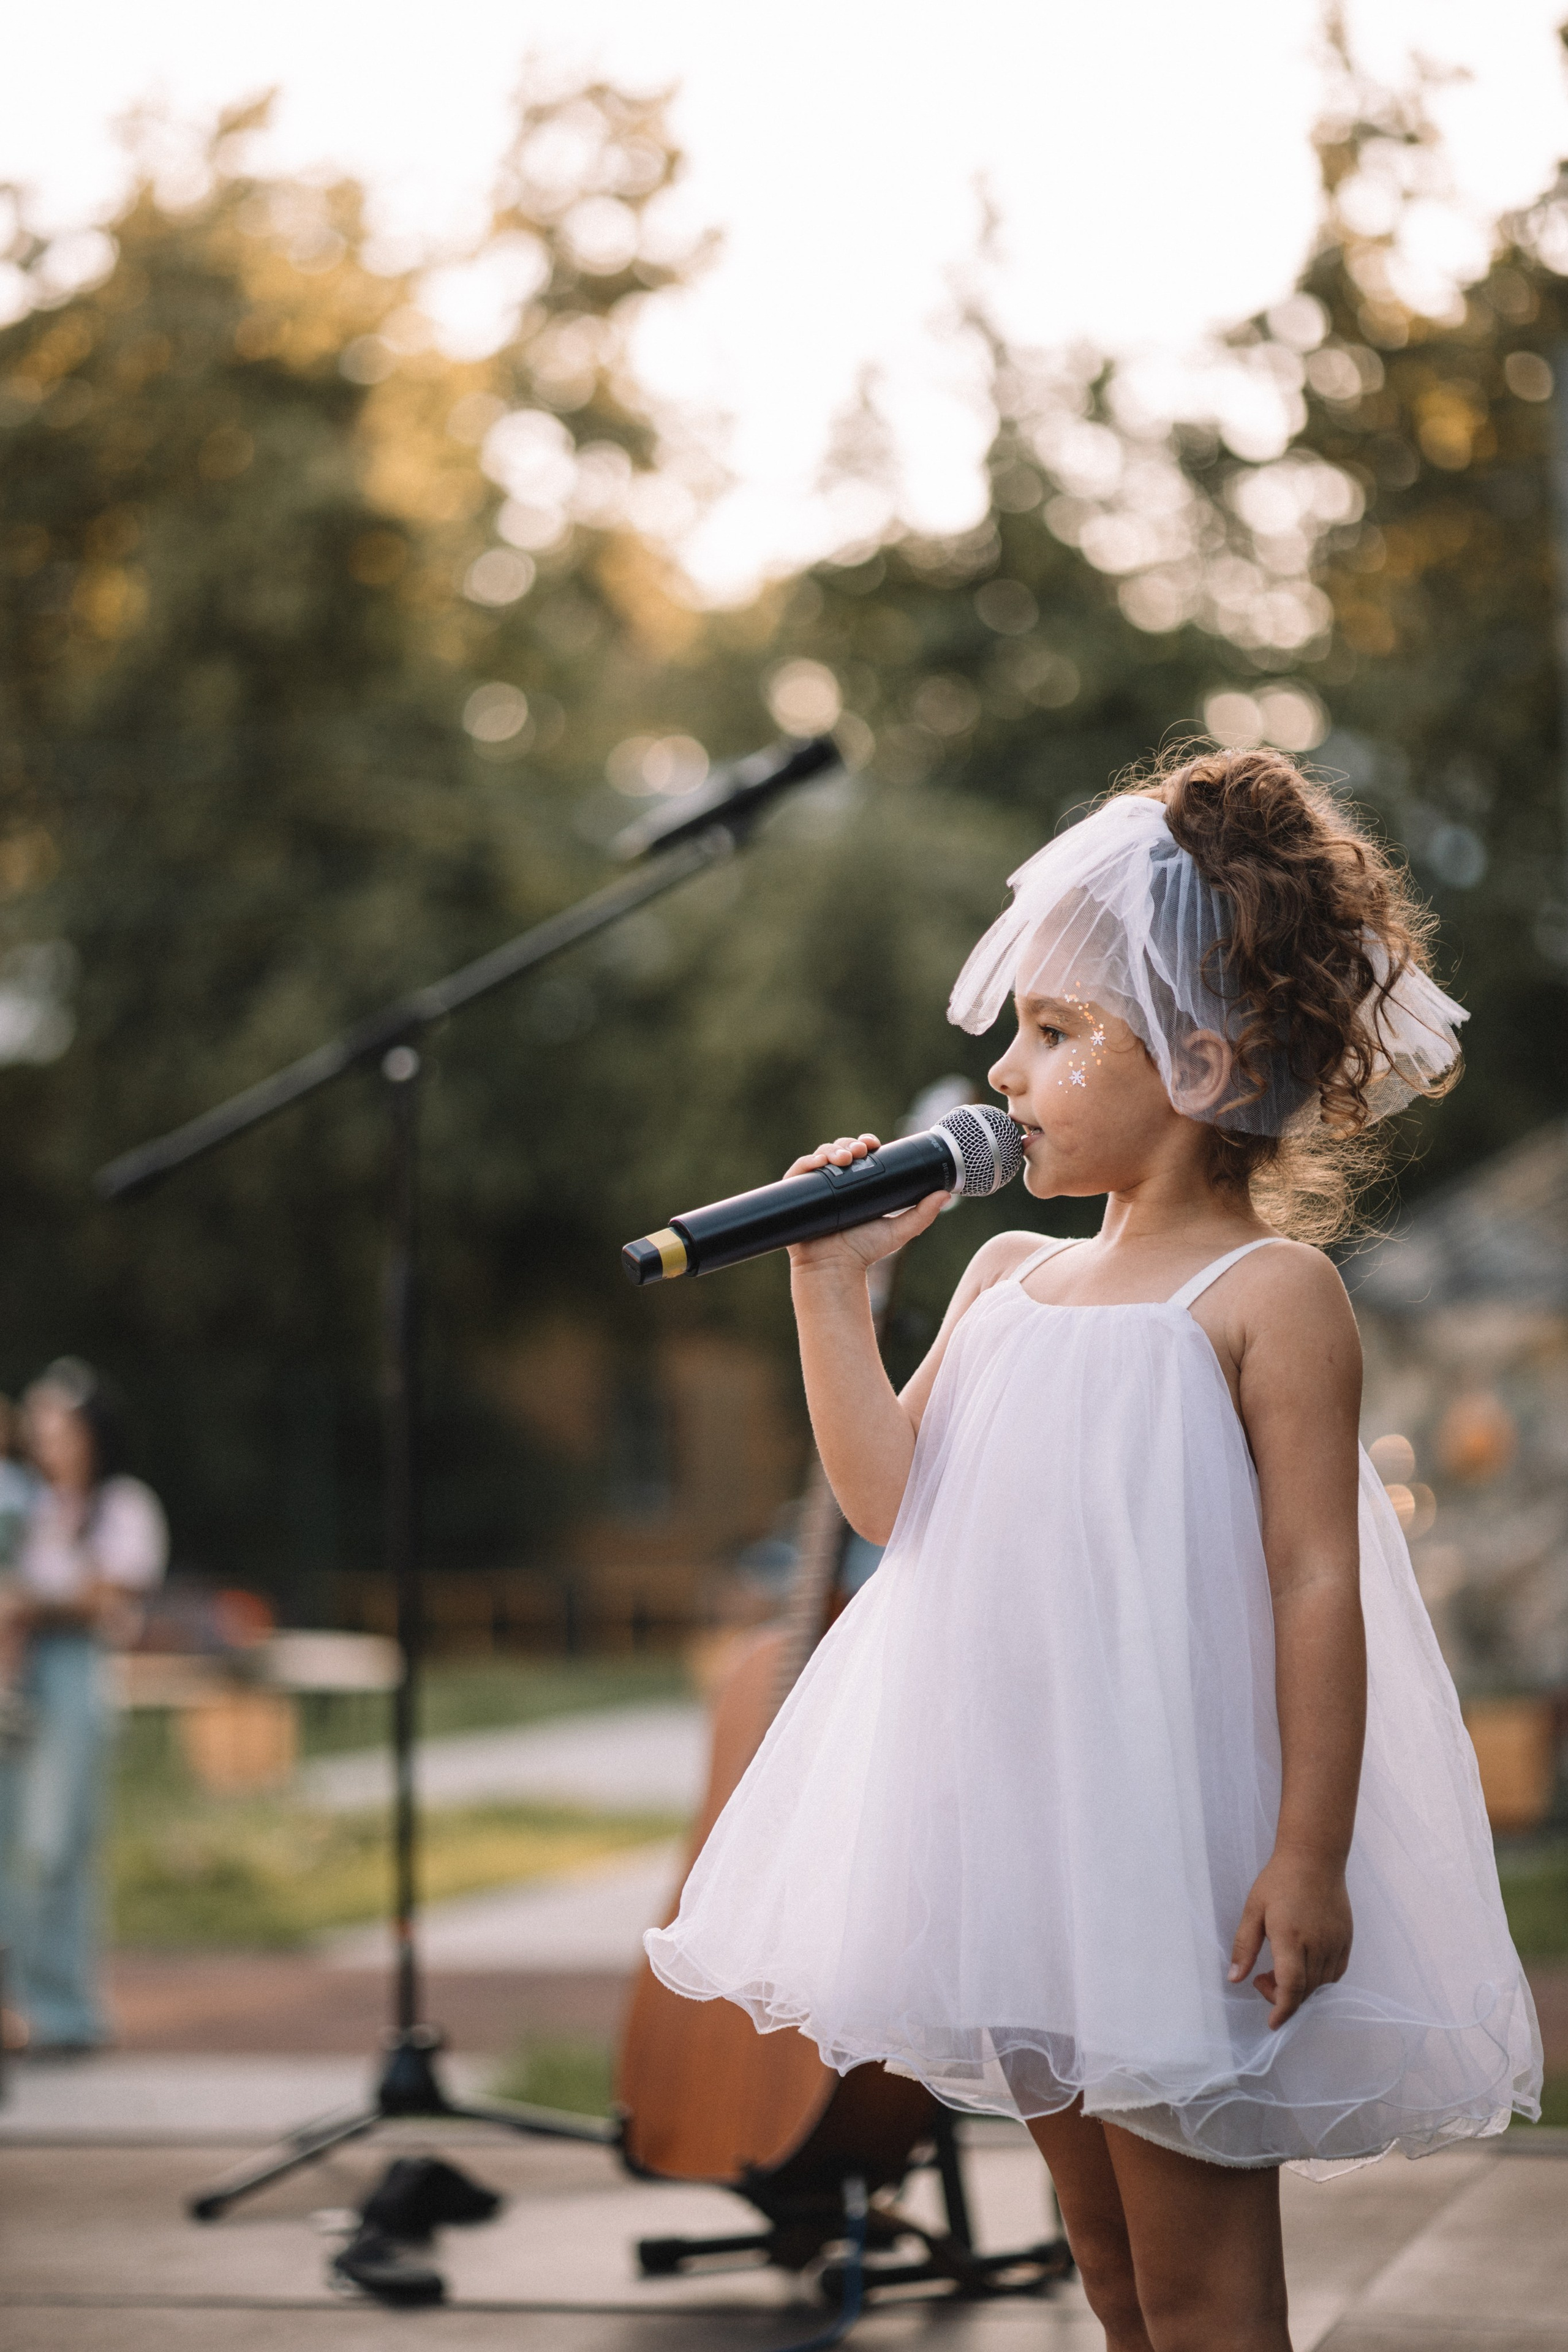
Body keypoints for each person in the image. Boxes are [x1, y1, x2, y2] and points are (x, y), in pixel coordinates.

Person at [646, 751, 1542, 2352]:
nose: (1005, 1074)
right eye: (1018, 1034)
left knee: (1203, 2289)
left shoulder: (1270, 1299)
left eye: (1058, 1035)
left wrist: (1309, 1850)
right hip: (1027, 1853)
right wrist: (830, 1289)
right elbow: (884, 1503)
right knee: (1110, 2266)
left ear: (1201, 1059)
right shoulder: (1002, 1281)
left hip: (1179, 1868)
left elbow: (1316, 1584)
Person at [0, 1359, 167, 2052]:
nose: (49, 1439)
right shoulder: (21, 1504)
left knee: (60, 1842)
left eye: (61, 1424)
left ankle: (62, 2005)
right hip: (14, 1673)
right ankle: (14, 2006)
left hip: (73, 1676)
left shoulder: (121, 1506)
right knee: (8, 1846)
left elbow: (110, 1596)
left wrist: (30, 1602)